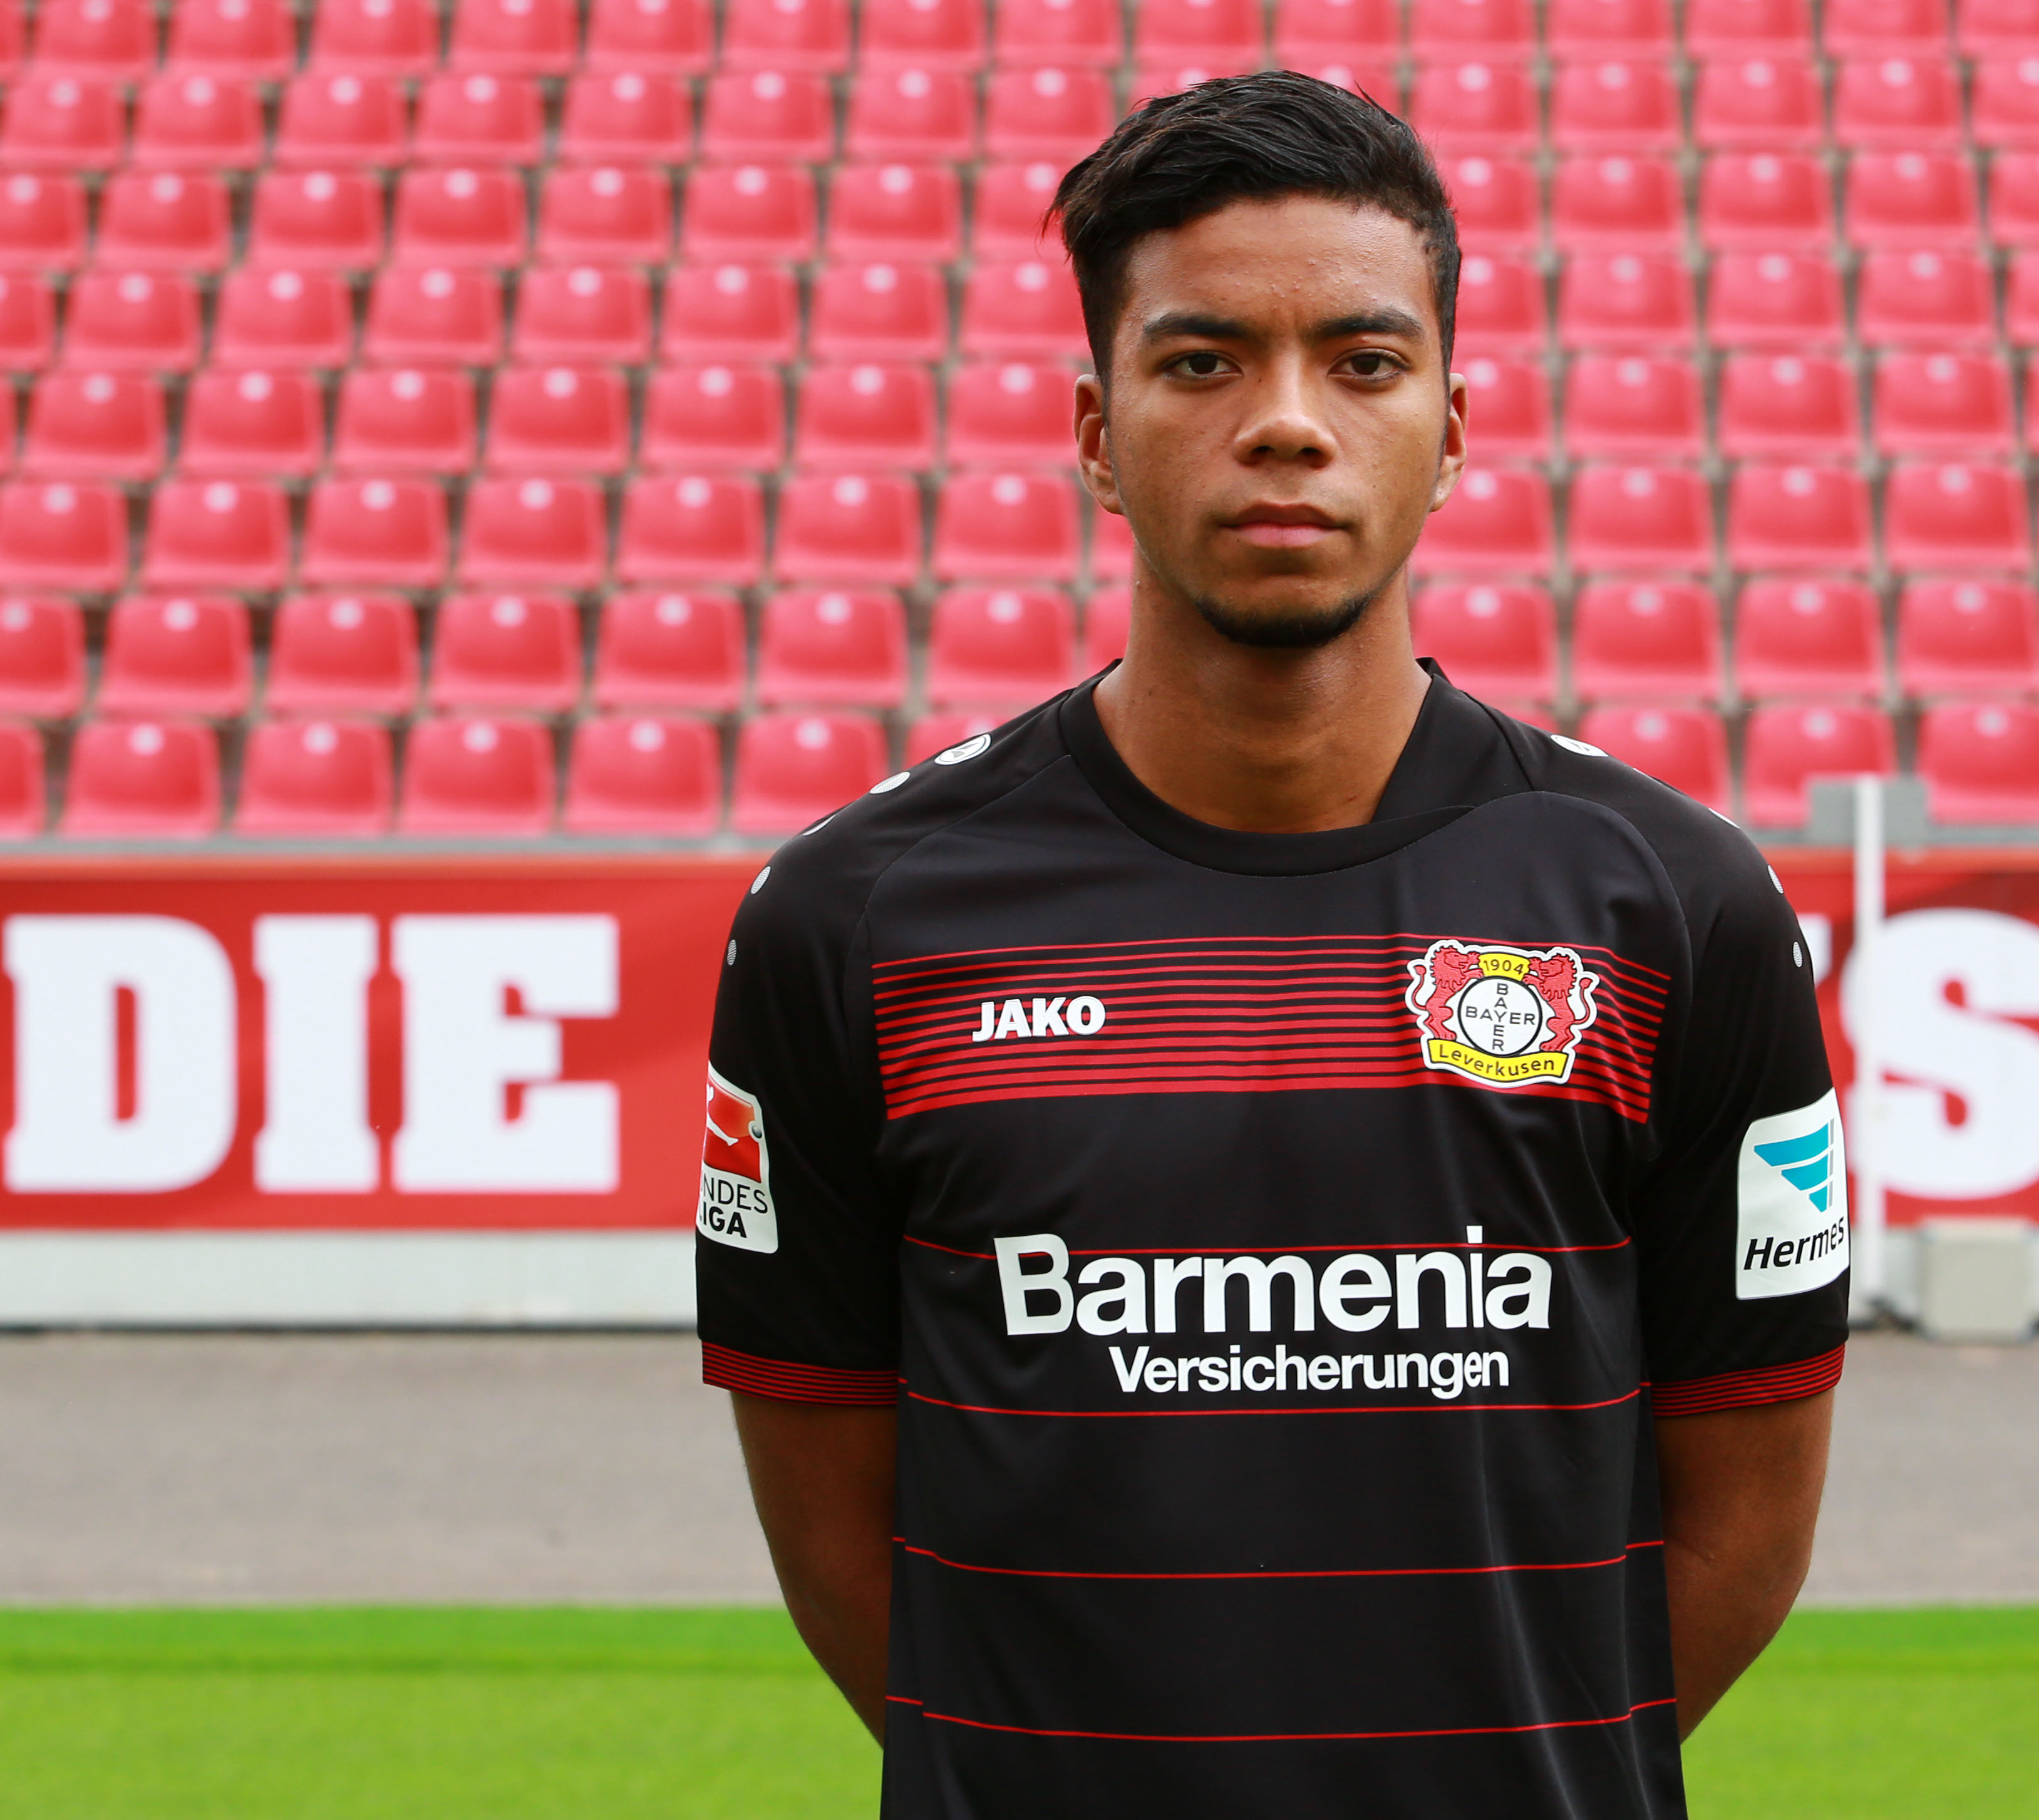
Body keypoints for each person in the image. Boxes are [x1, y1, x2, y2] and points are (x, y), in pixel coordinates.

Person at [698, 70, 1844, 1820]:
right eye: (1201, 360)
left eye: (1363, 363)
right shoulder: (851, 918)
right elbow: (847, 1534)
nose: (1287, 422)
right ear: (1095, 429)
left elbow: (1744, 1522)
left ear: (1453, 429)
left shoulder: (1676, 904)